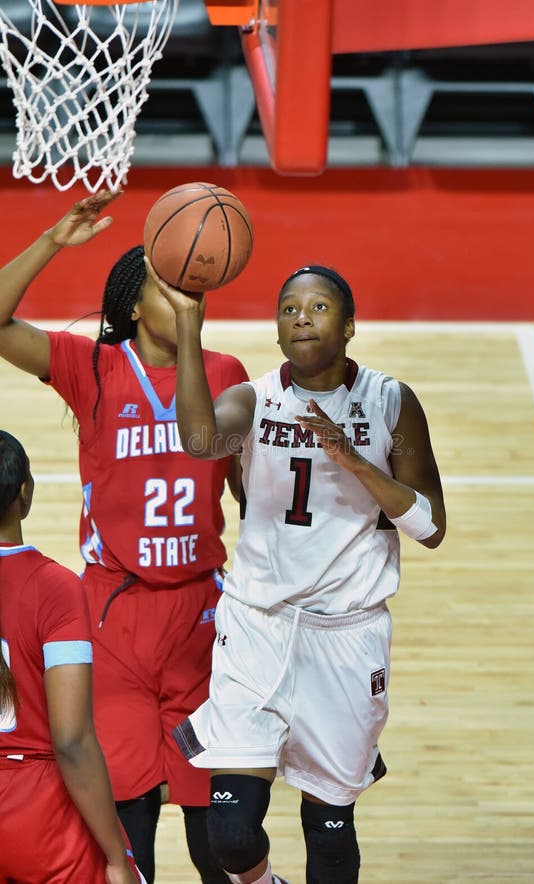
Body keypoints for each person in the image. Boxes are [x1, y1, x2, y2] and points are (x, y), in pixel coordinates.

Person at [156, 263, 447, 884]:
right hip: (256, 626)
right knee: (231, 836)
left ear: (349, 325)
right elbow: (200, 441)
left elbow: (430, 527)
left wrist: (354, 460)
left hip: (347, 636)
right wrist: (188, 326)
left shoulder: (391, 402)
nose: (302, 318)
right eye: (289, 309)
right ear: (277, 329)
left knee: (331, 830)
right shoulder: (256, 399)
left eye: (318, 308)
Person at [0, 192, 248, 884]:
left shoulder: (225, 373)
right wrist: (53, 240)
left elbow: (244, 493)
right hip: (114, 618)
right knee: (128, 823)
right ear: (135, 305)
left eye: (195, 288)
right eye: (174, 290)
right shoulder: (93, 368)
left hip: (202, 618)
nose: (191, 300)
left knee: (219, 842)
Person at [0, 430, 144, 884]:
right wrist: (116, 855)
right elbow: (72, 741)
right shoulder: (54, 588)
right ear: (26, 492)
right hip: (38, 814)